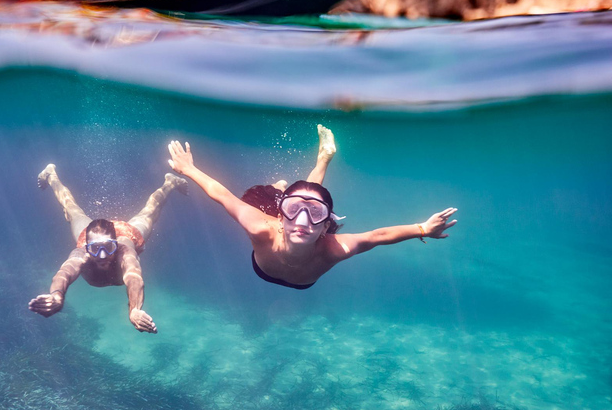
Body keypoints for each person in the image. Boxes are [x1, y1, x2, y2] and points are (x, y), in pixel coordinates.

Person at [167, 125, 457, 290]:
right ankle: (294, 182)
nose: (302, 220)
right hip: (273, 217)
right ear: (281, 218)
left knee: (306, 194)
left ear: (325, 226)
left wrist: (423, 229)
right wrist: (189, 169)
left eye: (316, 215)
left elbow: (377, 236)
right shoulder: (260, 226)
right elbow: (222, 194)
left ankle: (312, 170)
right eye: (293, 211)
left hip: (290, 266)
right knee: (262, 194)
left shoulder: (334, 247)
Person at [28, 164, 187, 332]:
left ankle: (170, 182)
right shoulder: (82, 253)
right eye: (96, 249)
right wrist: (57, 295)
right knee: (71, 210)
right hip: (93, 234)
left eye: (108, 248)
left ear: (115, 245)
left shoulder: (125, 251)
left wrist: (134, 310)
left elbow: (135, 278)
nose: (102, 255)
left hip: (126, 233)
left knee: (150, 212)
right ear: (87, 247)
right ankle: (51, 174)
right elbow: (64, 273)